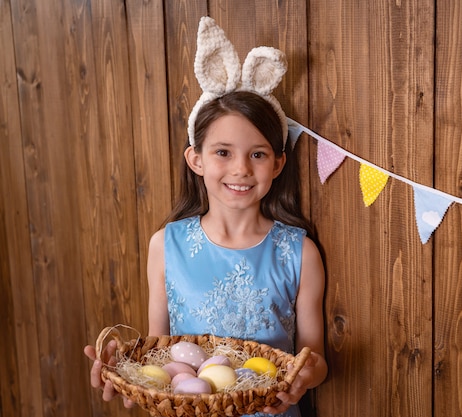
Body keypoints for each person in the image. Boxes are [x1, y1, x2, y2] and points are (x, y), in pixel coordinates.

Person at [84, 17, 328, 417]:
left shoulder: (299, 252)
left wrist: (306, 375)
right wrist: (126, 371)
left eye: (258, 154)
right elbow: (160, 358)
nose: (241, 169)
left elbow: (315, 361)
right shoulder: (166, 245)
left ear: (279, 163)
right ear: (195, 159)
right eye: (222, 152)